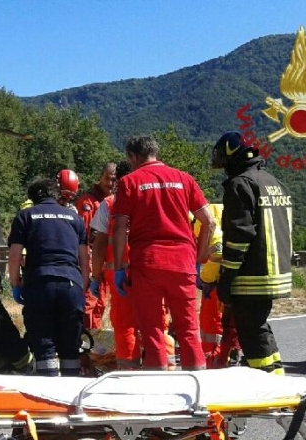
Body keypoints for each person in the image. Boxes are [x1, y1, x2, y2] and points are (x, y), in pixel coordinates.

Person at [112, 135, 215, 371]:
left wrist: (119, 268)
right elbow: (208, 221)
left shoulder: (129, 182)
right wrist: (198, 259)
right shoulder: (184, 179)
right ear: (155, 153)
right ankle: (197, 388)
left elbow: (119, 228)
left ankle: (157, 387)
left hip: (147, 263)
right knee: (189, 329)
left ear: (133, 157)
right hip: (183, 263)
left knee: (152, 329)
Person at [211, 131, 291, 375]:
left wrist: (227, 276)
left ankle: (267, 382)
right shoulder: (273, 182)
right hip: (275, 272)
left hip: (251, 275)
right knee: (258, 326)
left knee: (250, 331)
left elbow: (239, 236)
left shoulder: (240, 184)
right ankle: (276, 374)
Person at [8, 178, 89, 376]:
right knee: (71, 345)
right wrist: (83, 287)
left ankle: (48, 392)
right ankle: (71, 394)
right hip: (71, 283)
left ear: (34, 198)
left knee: (44, 344)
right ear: (57, 195)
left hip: (40, 283)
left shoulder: (25, 216)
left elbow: (15, 256)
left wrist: (15, 284)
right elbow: (85, 259)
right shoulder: (74, 218)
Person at [88, 161, 141, 369]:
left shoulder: (109, 204)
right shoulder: (151, 200)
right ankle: (163, 368)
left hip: (119, 277)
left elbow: (99, 245)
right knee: (155, 322)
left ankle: (128, 372)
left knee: (125, 325)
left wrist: (95, 275)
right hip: (149, 271)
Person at [194, 203, 242, 368]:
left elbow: (217, 251)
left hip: (216, 280)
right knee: (230, 322)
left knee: (213, 326)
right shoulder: (223, 213)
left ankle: (217, 360)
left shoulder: (201, 221)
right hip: (234, 276)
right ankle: (229, 353)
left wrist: (206, 277)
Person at [76, 163, 117, 329]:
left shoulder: (113, 202)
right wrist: (90, 269)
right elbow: (83, 237)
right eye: (107, 178)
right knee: (89, 305)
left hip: (106, 264)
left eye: (114, 180)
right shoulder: (88, 203)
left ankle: (96, 346)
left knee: (100, 304)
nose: (110, 183)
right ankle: (87, 346)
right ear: (100, 177)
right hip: (93, 264)